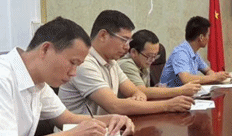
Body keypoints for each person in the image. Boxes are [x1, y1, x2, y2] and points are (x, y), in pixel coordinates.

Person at [0, 17, 134, 136]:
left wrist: (112, 120)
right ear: (45, 49)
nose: (73, 73)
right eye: (72, 63)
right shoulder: (3, 76)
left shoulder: (39, 82)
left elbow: (67, 118)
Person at [59, 10, 193, 116]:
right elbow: (114, 106)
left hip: (103, 131)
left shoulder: (112, 62)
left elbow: (136, 91)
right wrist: (168, 105)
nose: (127, 47)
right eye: (124, 40)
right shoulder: (84, 64)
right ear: (103, 35)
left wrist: (137, 97)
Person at [118, 29, 201, 99]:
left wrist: (157, 89)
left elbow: (146, 90)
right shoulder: (126, 64)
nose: (152, 60)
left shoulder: (143, 62)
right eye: (149, 56)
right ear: (134, 52)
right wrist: (181, 90)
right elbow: (142, 91)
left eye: (155, 56)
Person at [160, 16, 231, 87]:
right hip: (170, 92)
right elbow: (186, 79)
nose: (208, 38)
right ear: (201, 37)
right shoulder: (180, 53)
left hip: (186, 92)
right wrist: (214, 78)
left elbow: (207, 70)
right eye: (208, 35)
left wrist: (215, 77)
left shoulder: (194, 52)